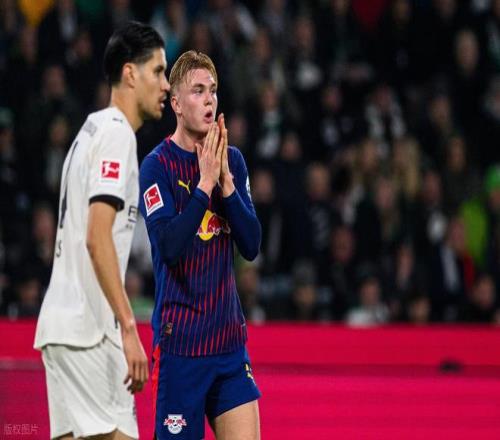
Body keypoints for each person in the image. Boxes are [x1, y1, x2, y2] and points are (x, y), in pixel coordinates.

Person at [34, 21, 170, 439]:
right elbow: (97, 237)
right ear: (130, 73)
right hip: (89, 332)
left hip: (61, 328)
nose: (166, 85)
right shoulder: (116, 136)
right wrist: (128, 327)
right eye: (158, 71)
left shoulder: (89, 131)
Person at [139, 50, 261, 439]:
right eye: (197, 91)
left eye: (213, 90)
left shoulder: (232, 162)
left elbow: (252, 245)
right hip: (181, 349)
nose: (209, 100)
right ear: (176, 103)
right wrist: (204, 185)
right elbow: (169, 247)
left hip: (229, 345)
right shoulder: (156, 166)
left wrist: (226, 184)